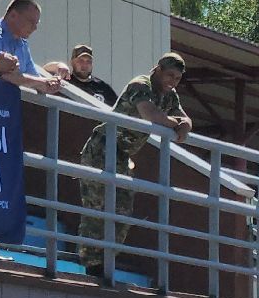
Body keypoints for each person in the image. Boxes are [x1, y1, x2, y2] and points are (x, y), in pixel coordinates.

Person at [77, 53, 191, 281]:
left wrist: (184, 125)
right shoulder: (142, 84)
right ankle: (91, 265)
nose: (173, 82)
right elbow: (149, 113)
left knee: (122, 211)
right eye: (170, 75)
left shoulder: (169, 96)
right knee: (98, 207)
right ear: (157, 69)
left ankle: (104, 262)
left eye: (178, 78)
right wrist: (173, 124)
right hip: (103, 148)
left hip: (122, 155)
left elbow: (185, 118)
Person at [0, 0, 61, 94]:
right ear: (13, 15)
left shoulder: (23, 45)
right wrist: (40, 82)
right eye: (31, 22)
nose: (35, 28)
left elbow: (36, 79)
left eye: (36, 23)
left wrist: (50, 84)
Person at [43, 44, 117, 106]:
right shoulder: (65, 80)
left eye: (88, 61)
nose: (85, 65)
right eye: (80, 61)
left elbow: (118, 112)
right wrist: (59, 65)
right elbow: (43, 71)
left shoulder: (103, 87)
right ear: (72, 62)